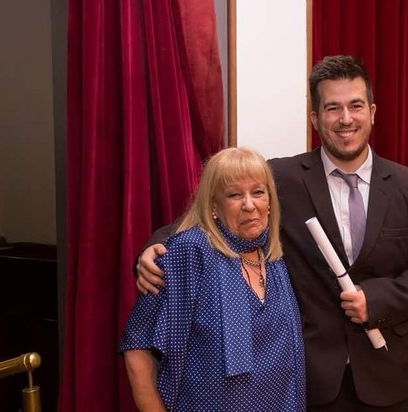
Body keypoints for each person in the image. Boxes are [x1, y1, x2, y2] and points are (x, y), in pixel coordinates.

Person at [136, 55, 408, 411]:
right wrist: (155, 245)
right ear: (316, 118)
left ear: (373, 112)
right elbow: (212, 215)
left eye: (355, 106)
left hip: (388, 378)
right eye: (332, 108)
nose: (345, 119)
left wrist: (375, 299)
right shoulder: (282, 179)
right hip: (307, 380)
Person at [119, 147, 306, 412]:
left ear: (270, 200)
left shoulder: (272, 255)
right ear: (214, 206)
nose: (249, 205)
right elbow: (137, 348)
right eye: (234, 195)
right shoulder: (190, 253)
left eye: (258, 192)